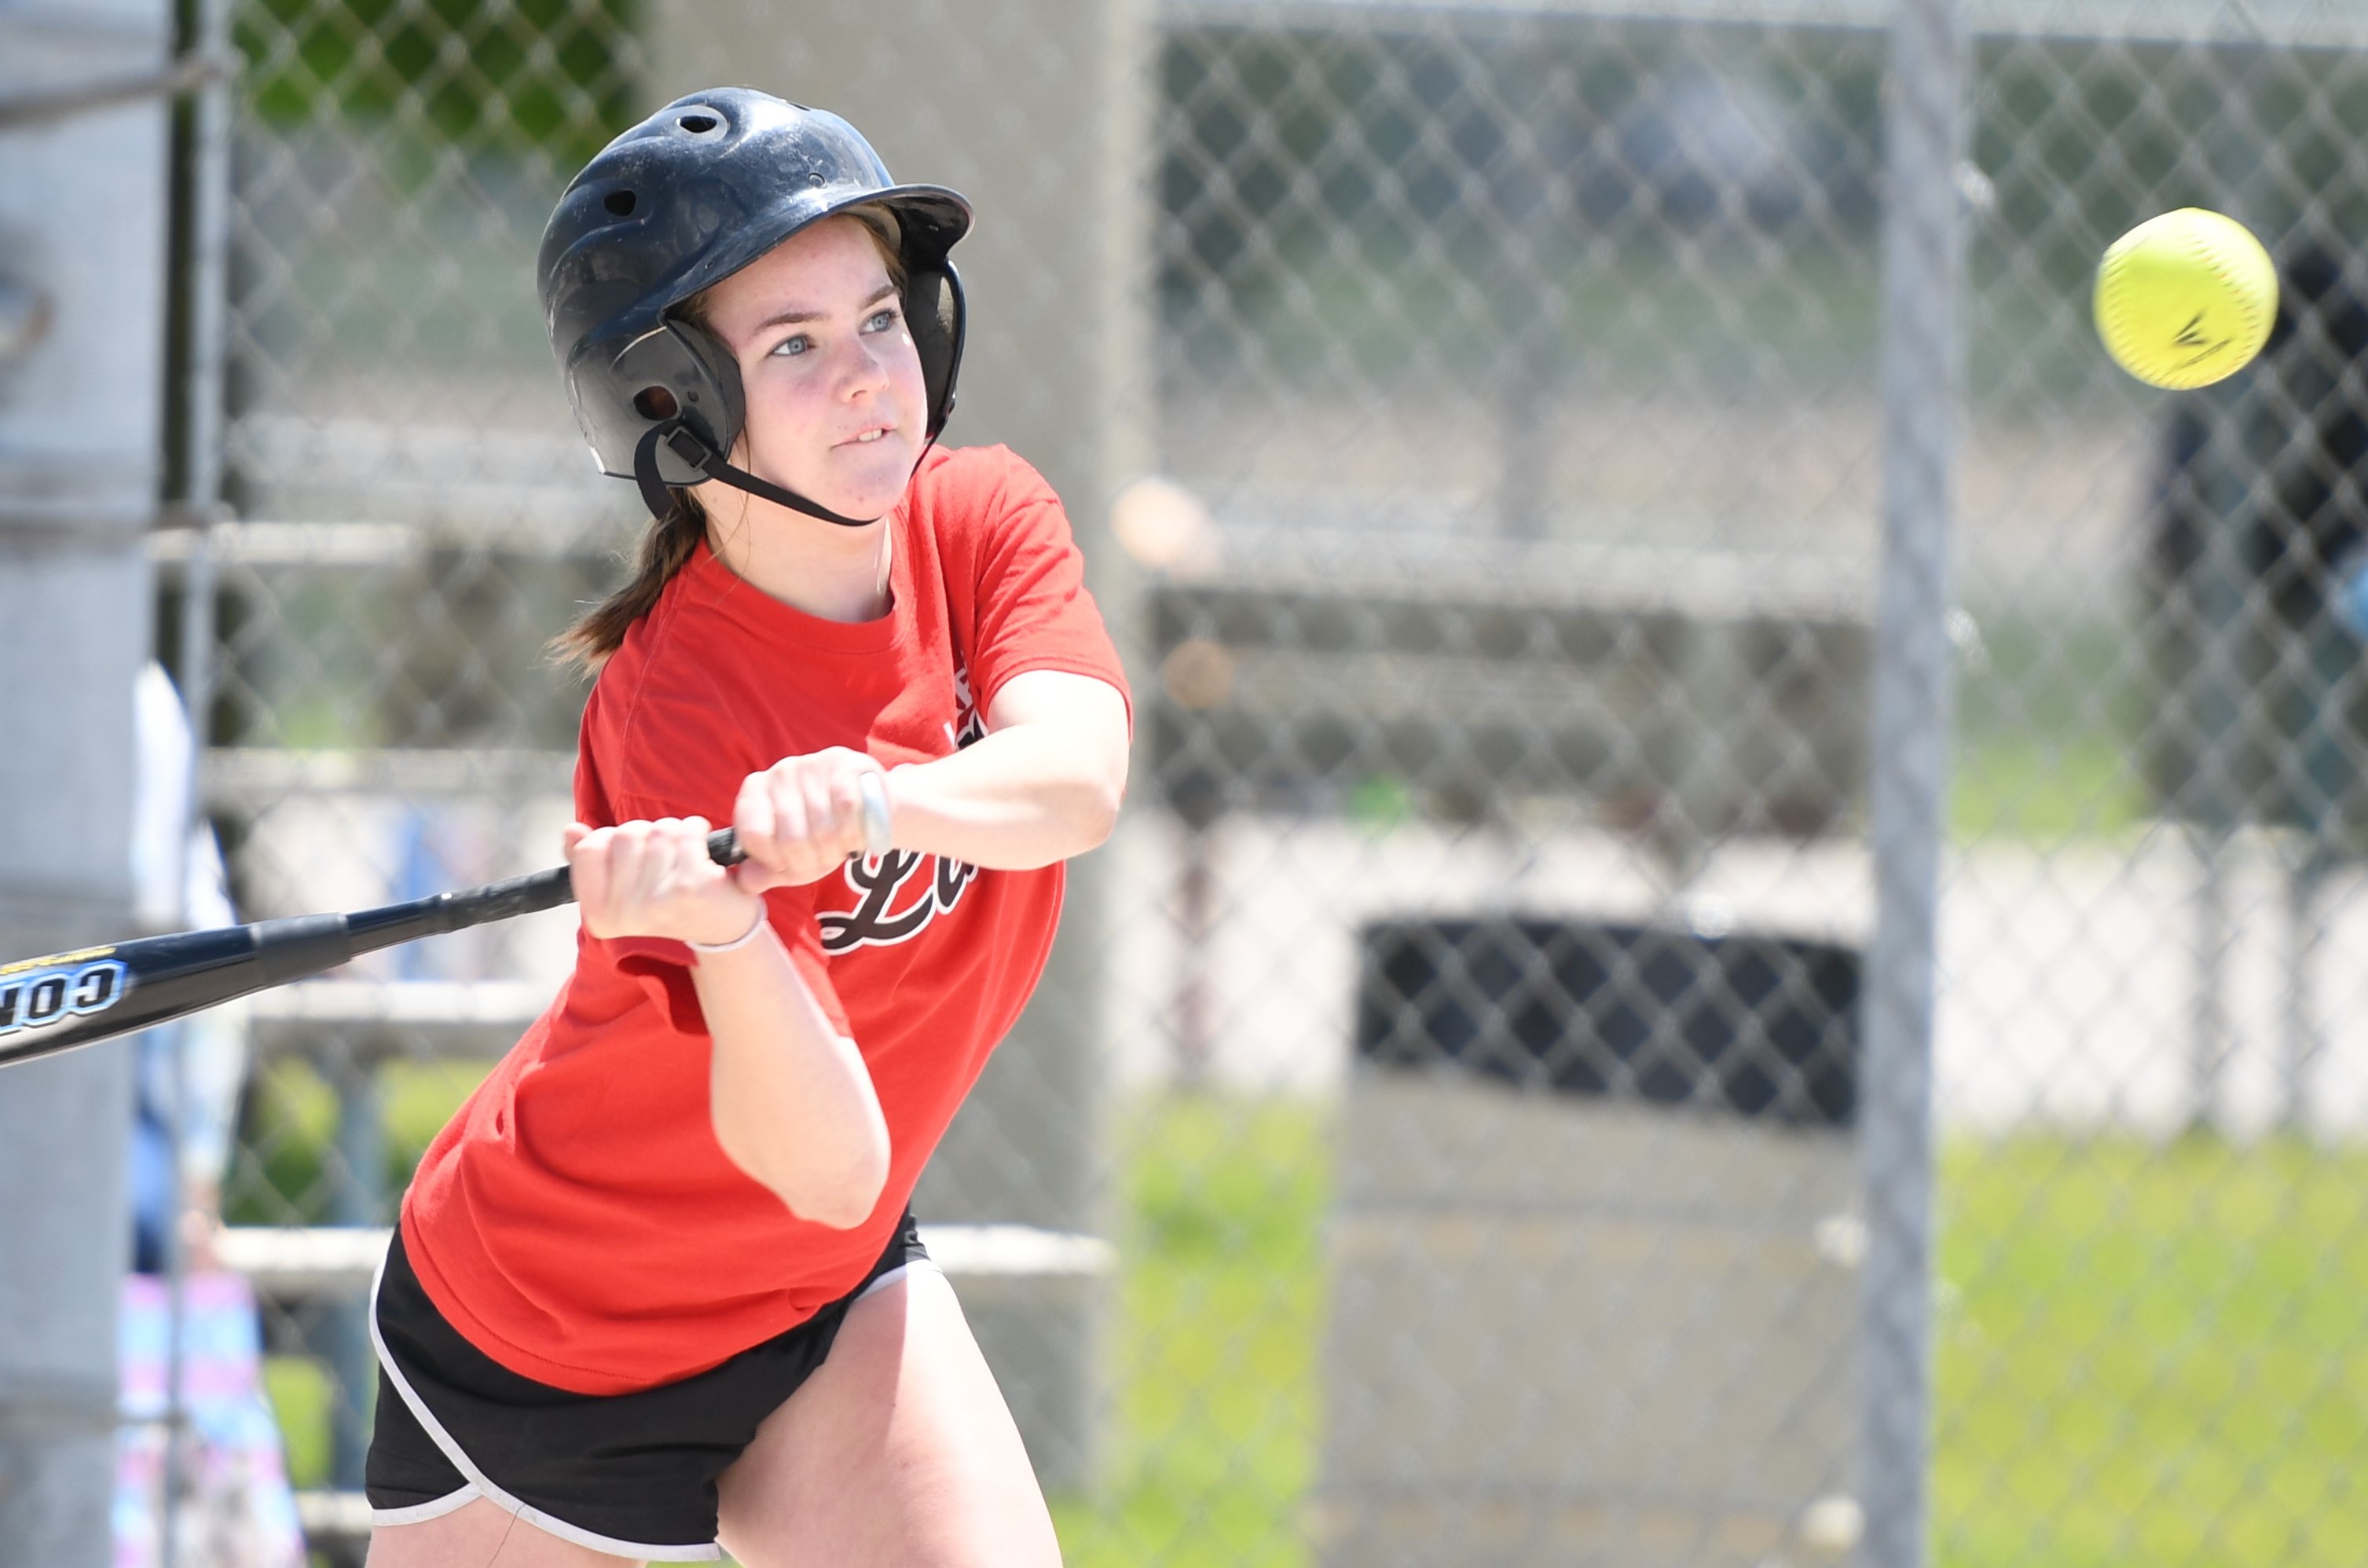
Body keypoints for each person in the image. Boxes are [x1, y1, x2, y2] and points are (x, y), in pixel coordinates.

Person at [361, 87, 1131, 1566]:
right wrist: (722, 928)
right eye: (794, 346)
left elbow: (1076, 782)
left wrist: (876, 795)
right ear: (677, 406)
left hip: (824, 1293)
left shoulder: (977, 520)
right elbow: (825, 1155)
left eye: (879, 321)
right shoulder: (674, 714)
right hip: (551, 1341)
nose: (865, 378)